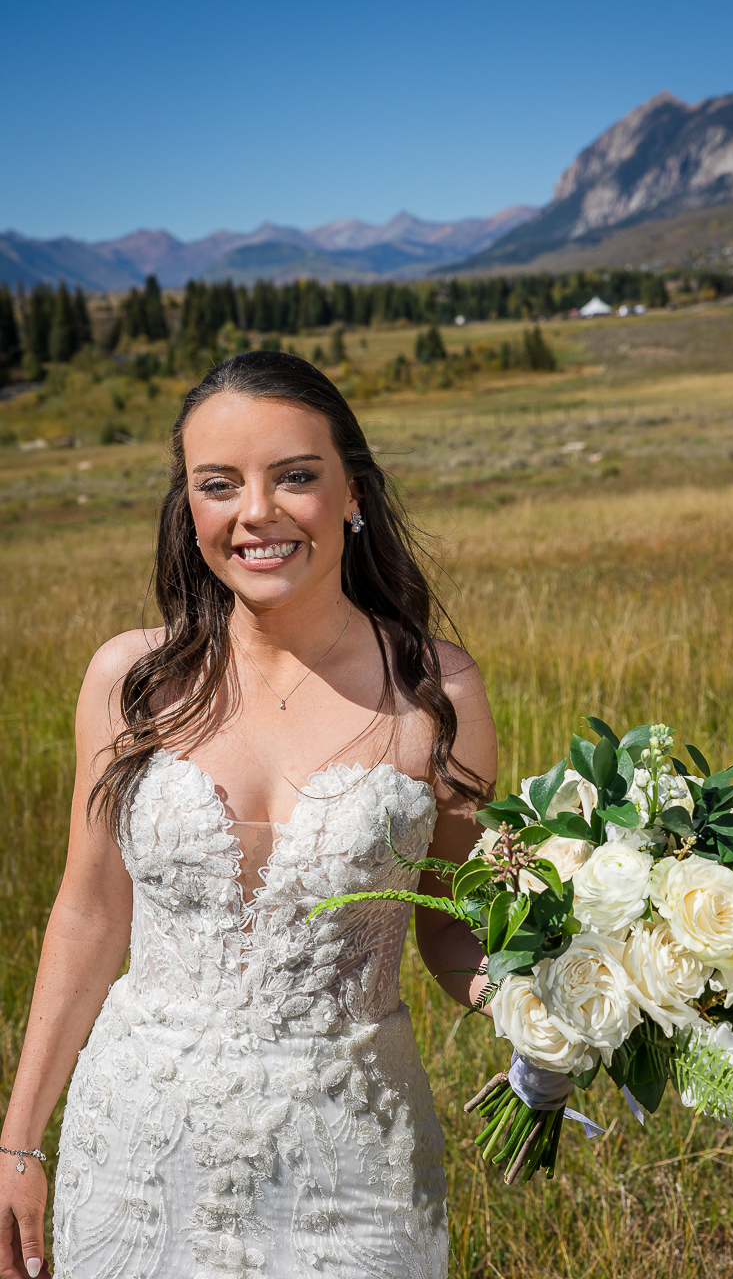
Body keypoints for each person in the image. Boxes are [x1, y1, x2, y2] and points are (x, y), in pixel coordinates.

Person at [0, 351, 496, 1279]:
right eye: (218, 484)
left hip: (354, 1159)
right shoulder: (130, 682)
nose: (255, 512)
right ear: (189, 509)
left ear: (353, 491)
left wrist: (563, 1010)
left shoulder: (436, 689)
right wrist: (17, 1144)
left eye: (295, 477)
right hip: (138, 1153)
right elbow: (89, 913)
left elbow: (456, 931)